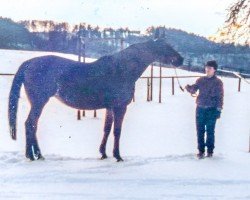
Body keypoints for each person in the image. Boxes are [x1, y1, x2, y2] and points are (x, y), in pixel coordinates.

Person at [185, 60, 224, 159]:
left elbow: (220, 97)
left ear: (214, 70)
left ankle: (210, 151)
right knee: (200, 130)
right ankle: (201, 151)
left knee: (210, 131)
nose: (207, 69)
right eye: (206, 67)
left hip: (212, 110)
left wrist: (218, 110)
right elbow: (194, 89)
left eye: (210, 68)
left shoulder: (218, 82)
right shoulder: (200, 80)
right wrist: (189, 88)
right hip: (200, 109)